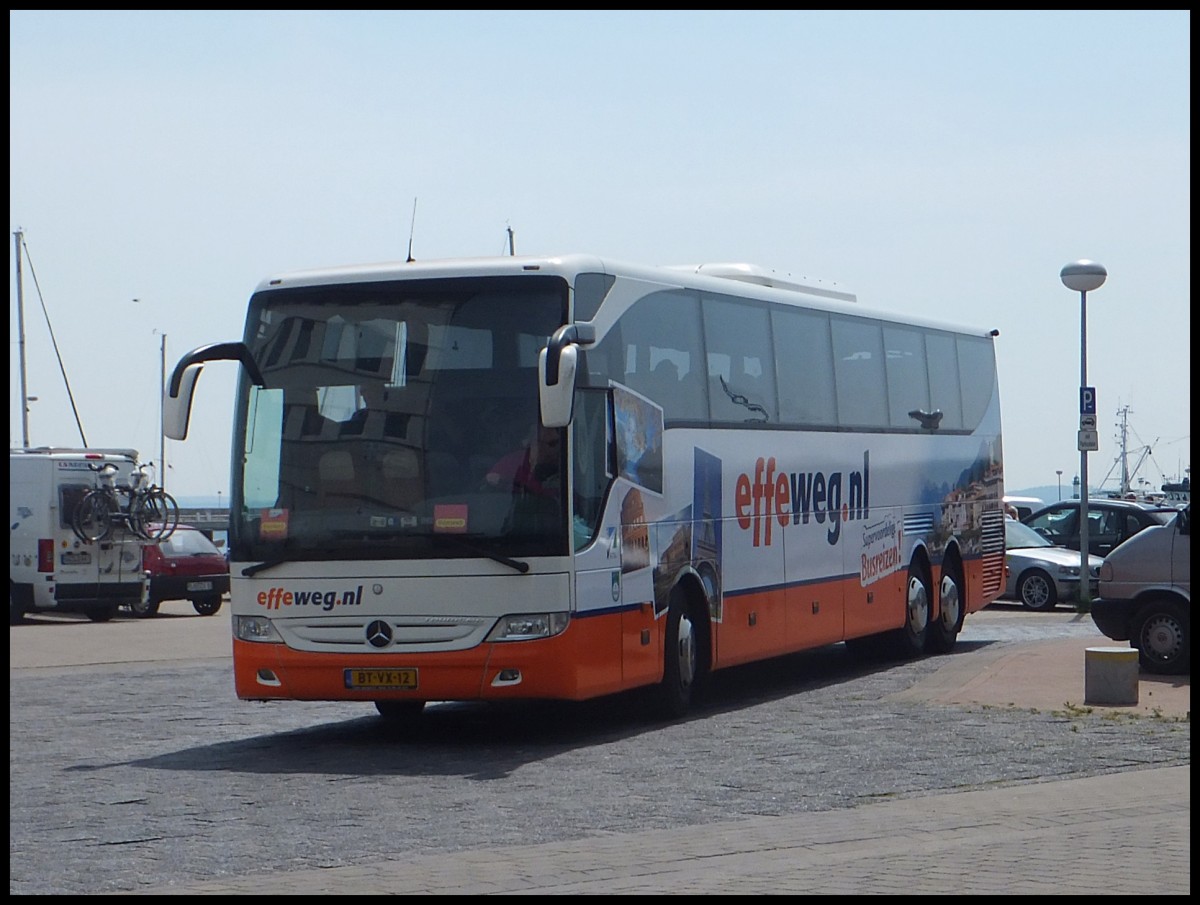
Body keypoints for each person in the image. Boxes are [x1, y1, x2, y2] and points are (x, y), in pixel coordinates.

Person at [486, 424, 561, 499]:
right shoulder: (510, 463)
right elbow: (489, 482)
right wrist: (506, 484)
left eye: (558, 443)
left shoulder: (569, 465)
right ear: (533, 443)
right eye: (552, 443)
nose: (557, 448)